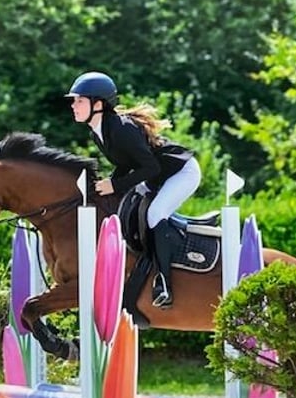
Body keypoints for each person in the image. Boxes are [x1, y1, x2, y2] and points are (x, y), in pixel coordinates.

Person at [65, 71, 201, 308]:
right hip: (157, 175)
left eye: (79, 100)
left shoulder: (122, 129)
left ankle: (164, 283)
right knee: (128, 208)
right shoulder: (99, 131)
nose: (73, 106)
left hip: (181, 172)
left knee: (155, 214)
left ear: (98, 104)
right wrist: (107, 186)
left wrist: (116, 185)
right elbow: (126, 163)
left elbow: (150, 166)